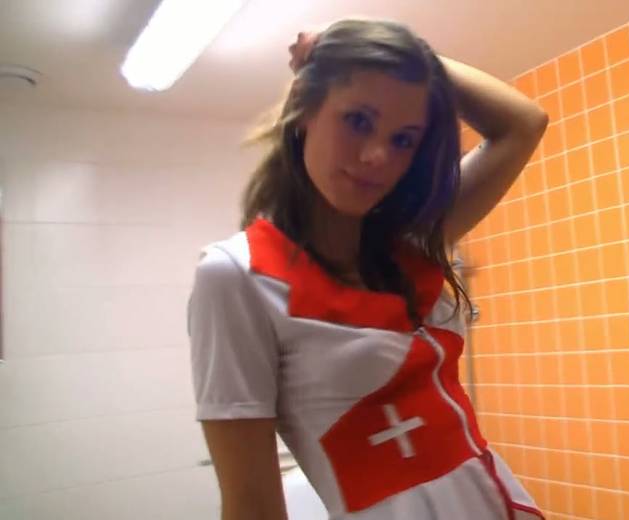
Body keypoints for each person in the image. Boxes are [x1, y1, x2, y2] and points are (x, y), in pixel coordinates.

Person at [188, 18, 548, 520]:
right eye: (358, 121)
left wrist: (410, 56)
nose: (377, 155)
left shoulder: (413, 243)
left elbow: (524, 123)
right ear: (303, 110)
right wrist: (351, 53)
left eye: (403, 139)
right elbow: (251, 504)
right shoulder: (237, 276)